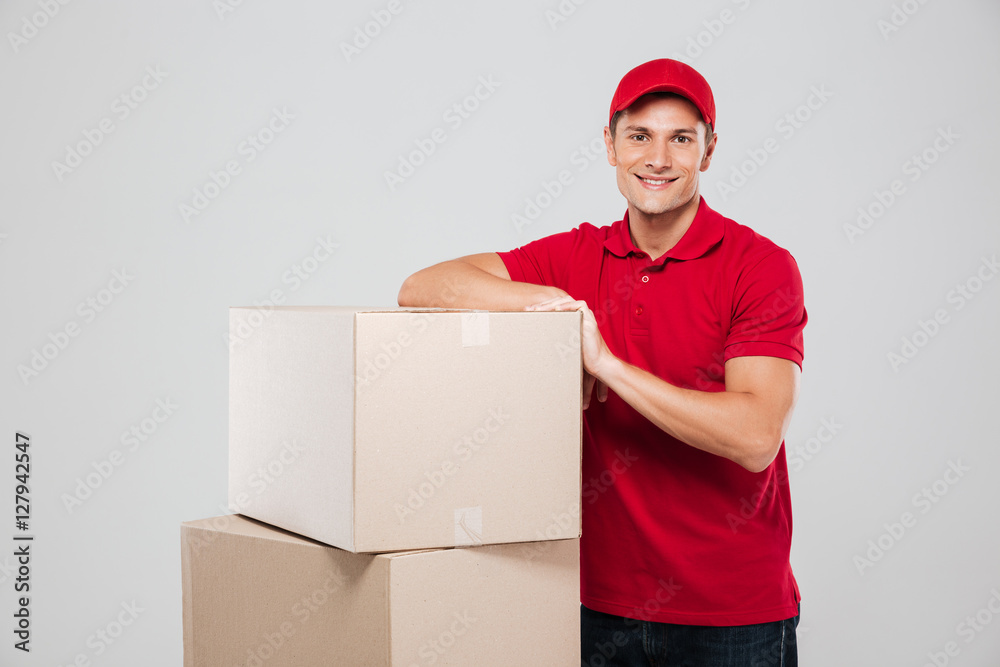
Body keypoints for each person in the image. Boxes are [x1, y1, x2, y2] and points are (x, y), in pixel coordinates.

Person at [398, 58, 807, 666]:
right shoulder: (579, 256)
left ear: (710, 151)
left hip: (731, 613)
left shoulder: (759, 266)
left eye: (681, 139)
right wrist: (555, 306)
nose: (658, 158)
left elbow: (755, 437)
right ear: (610, 147)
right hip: (603, 604)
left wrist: (606, 364)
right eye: (639, 136)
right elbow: (423, 287)